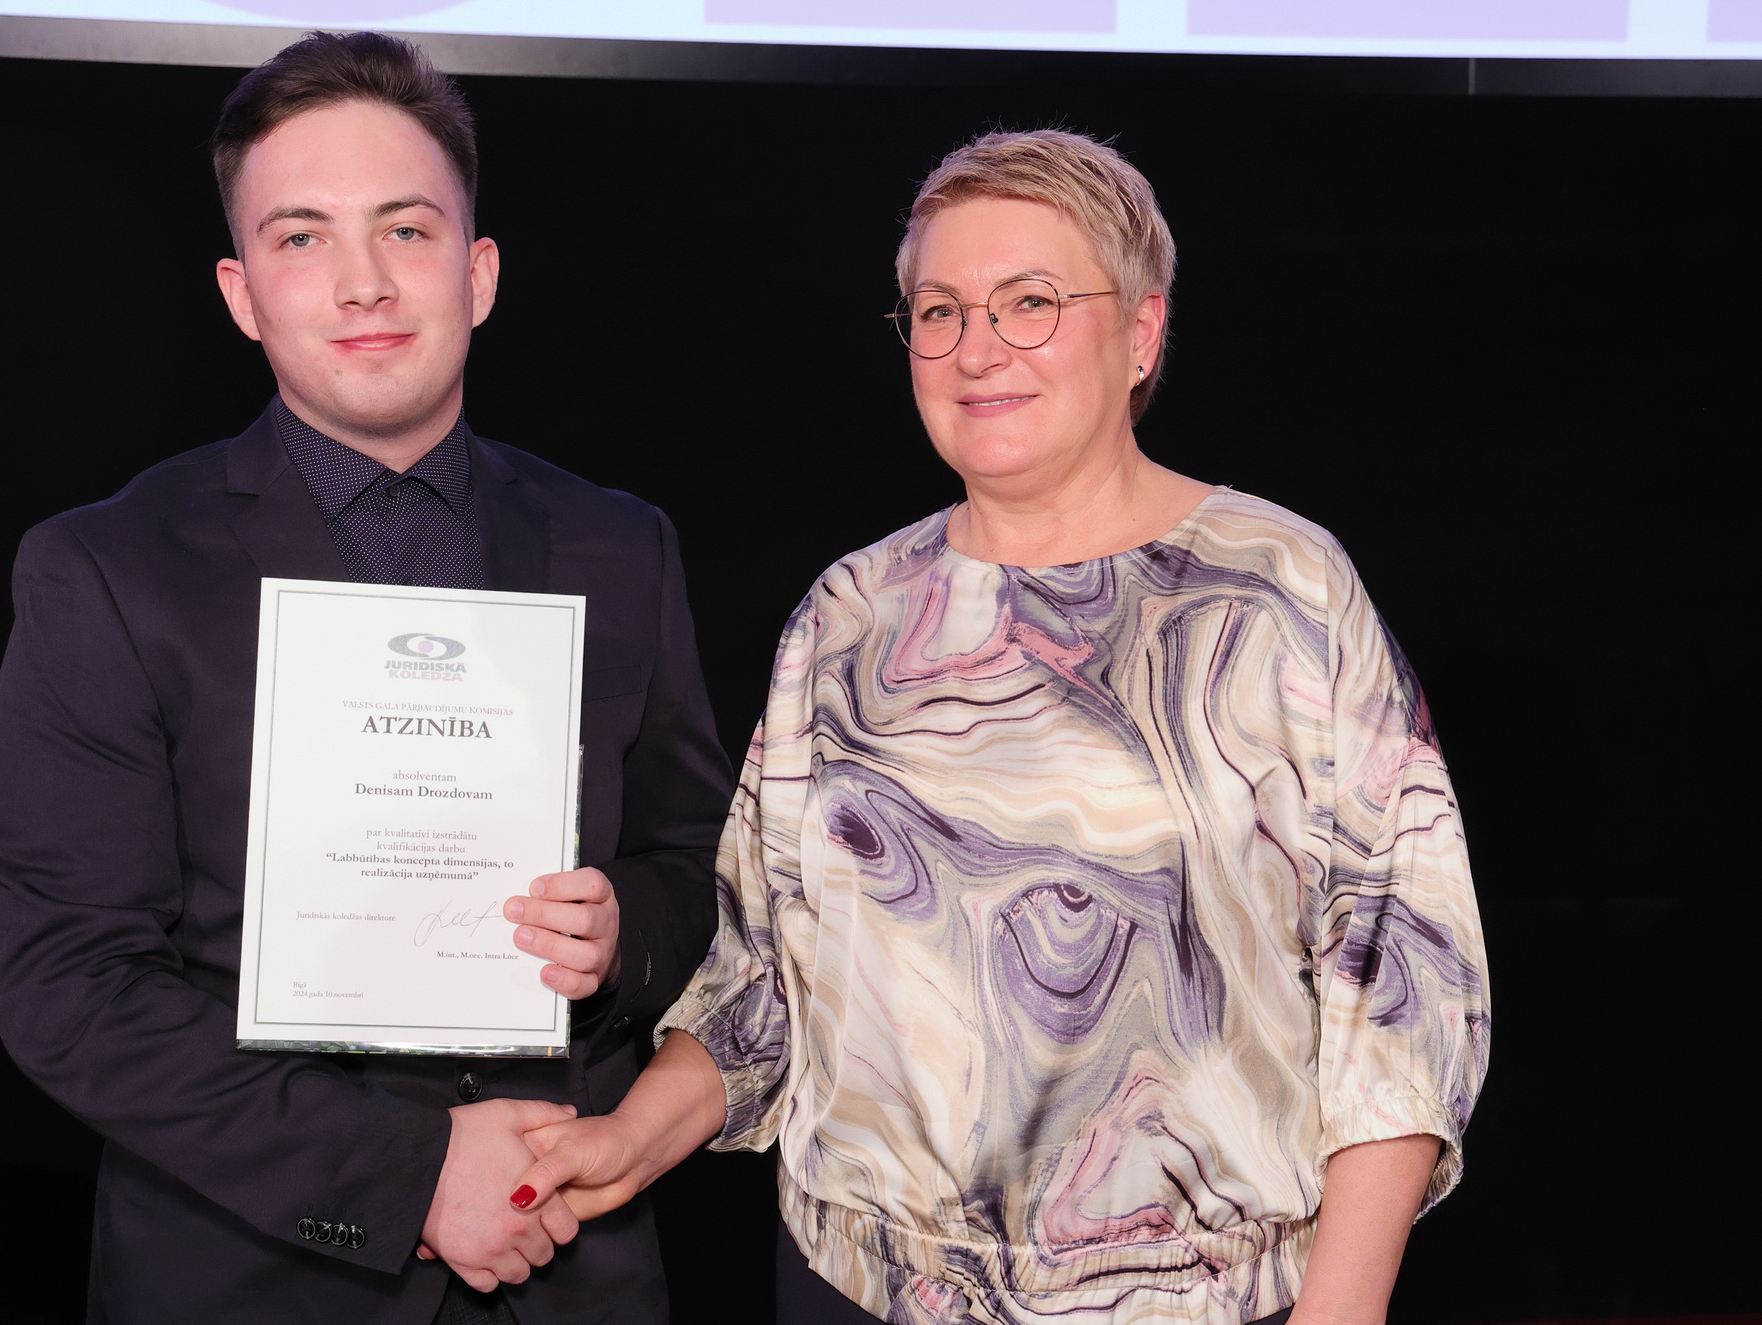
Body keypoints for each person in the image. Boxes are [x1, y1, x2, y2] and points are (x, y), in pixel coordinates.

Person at [506, 130, 1491, 1325]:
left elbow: (1401, 991)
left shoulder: (1276, 590)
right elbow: (758, 984)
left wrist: (1342, 1308)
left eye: (1030, 303)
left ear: (1139, 333)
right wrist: (627, 1138)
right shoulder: (849, 615)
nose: (976, 349)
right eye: (939, 311)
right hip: (856, 1292)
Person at [0, 31, 733, 1325]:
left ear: (478, 273)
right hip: (250, 1279)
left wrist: (624, 932)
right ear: (241, 293)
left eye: (407, 229)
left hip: (572, 1259)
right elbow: (70, 981)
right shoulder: (106, 568)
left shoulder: (621, 545)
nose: (364, 281)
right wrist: (407, 1170)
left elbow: (705, 867)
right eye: (302, 237)